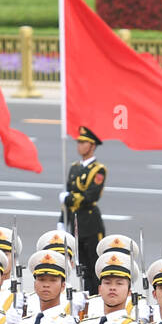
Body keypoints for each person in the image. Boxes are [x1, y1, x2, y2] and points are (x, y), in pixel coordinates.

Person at [60, 126, 107, 296]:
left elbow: (90, 196)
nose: (79, 145)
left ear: (92, 146)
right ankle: (88, 296)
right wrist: (62, 220)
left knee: (95, 266)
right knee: (83, 266)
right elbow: (67, 195)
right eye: (78, 142)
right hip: (75, 222)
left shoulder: (98, 170)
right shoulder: (74, 167)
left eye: (83, 142)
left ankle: (97, 297)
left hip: (90, 223)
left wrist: (69, 199)